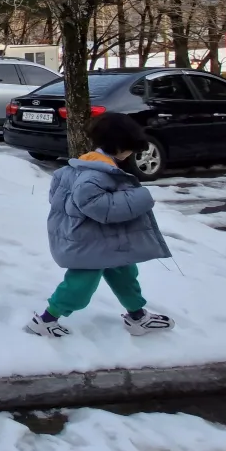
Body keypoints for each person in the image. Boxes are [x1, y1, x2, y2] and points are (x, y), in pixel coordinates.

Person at [27, 112, 175, 338]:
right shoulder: (95, 175)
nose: (130, 154)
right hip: (88, 244)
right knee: (79, 286)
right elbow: (102, 208)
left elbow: (60, 199)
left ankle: (137, 316)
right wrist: (141, 197)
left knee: (125, 273)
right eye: (129, 148)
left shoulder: (80, 167)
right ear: (119, 146)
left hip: (102, 241)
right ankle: (46, 320)